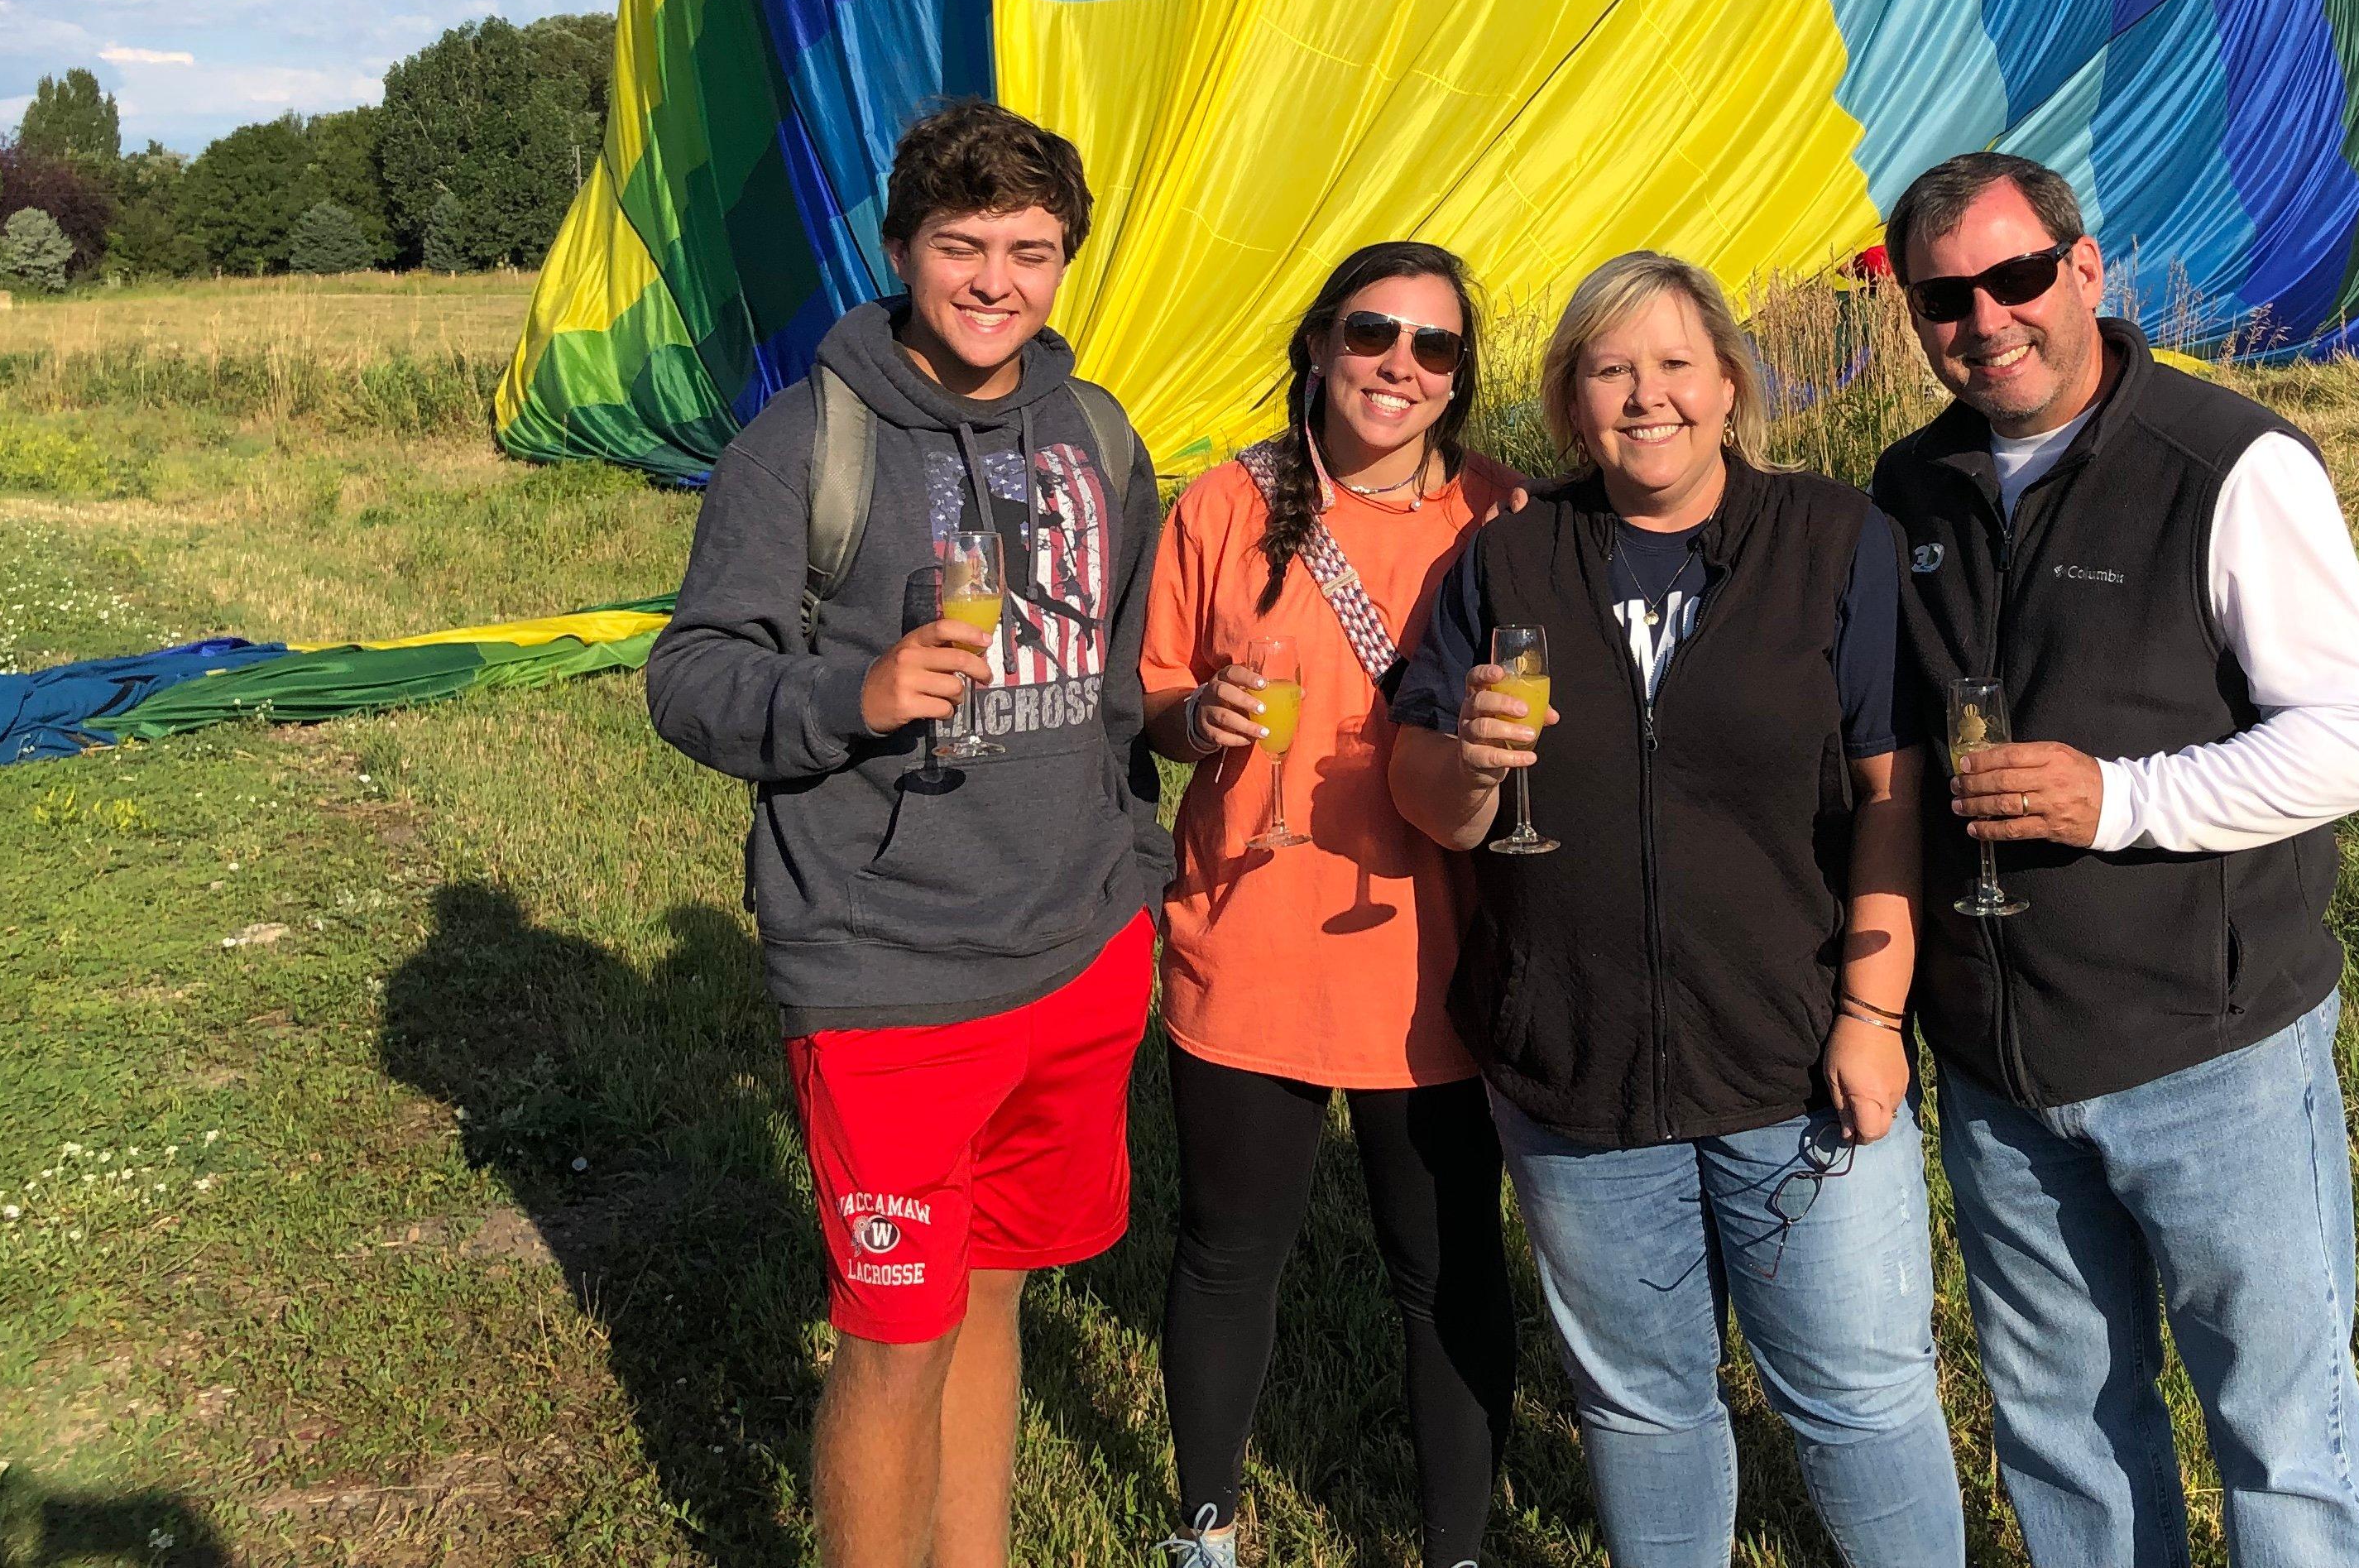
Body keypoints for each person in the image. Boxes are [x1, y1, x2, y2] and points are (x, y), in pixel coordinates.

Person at [1868, 152, 2359, 1568]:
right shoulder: (1909, 486)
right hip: (1997, 1060)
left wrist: (2114, 801)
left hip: (2210, 1044)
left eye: (2017, 278)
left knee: (2282, 1431)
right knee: (2062, 1429)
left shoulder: (2227, 463)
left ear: (2087, 269)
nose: (1986, 320)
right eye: (1944, 298)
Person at [645, 100, 1167, 1568]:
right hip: (887, 969)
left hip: (1075, 956)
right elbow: (689, 679)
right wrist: (857, 694)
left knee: (994, 1293)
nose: (997, 279)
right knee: (893, 1337)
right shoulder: (806, 441)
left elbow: (1116, 694)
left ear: (1066, 262)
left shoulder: (1100, 436)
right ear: (899, 251)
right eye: (963, 246)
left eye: (1033, 249)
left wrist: (1138, 890)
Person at [1391, 252, 1964, 1568]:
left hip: (1794, 1059)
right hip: (1575, 1073)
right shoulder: (1510, 562)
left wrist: (1873, 1011)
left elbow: (1893, 791)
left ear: (1727, 385)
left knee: (1860, 1397)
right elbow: (1424, 791)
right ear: (1570, 399)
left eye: (1673, 367)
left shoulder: (1833, 540)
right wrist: (1473, 767)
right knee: (1642, 1404)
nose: (1646, 398)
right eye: (1610, 371)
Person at [1137, 242, 1523, 1568]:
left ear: (1462, 374)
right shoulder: (1224, 505)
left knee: (1447, 1271)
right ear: (1317, 342)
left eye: (1435, 348)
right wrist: (1196, 715)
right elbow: (1152, 700)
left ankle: (1456, 1548)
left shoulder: (1504, 516)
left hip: (1440, 950)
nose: (1400, 369)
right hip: (1249, 937)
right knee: (1231, 1251)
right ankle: (1208, 1528)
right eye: (1374, 335)